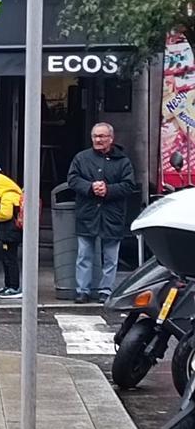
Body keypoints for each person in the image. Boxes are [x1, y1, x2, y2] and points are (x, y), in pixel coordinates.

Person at [67, 122, 138, 303]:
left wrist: (109, 190)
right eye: (95, 136)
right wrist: (90, 187)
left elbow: (129, 185)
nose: (98, 140)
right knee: (84, 255)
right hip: (88, 213)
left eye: (102, 136)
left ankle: (106, 290)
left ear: (111, 139)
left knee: (111, 257)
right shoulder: (81, 158)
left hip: (112, 214)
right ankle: (82, 290)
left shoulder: (123, 161)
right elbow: (73, 179)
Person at [0, 165, 24, 300]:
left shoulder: (8, 196)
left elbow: (6, 214)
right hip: (11, 232)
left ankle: (13, 286)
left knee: (10, 260)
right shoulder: (12, 194)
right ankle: (9, 285)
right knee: (7, 259)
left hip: (10, 232)